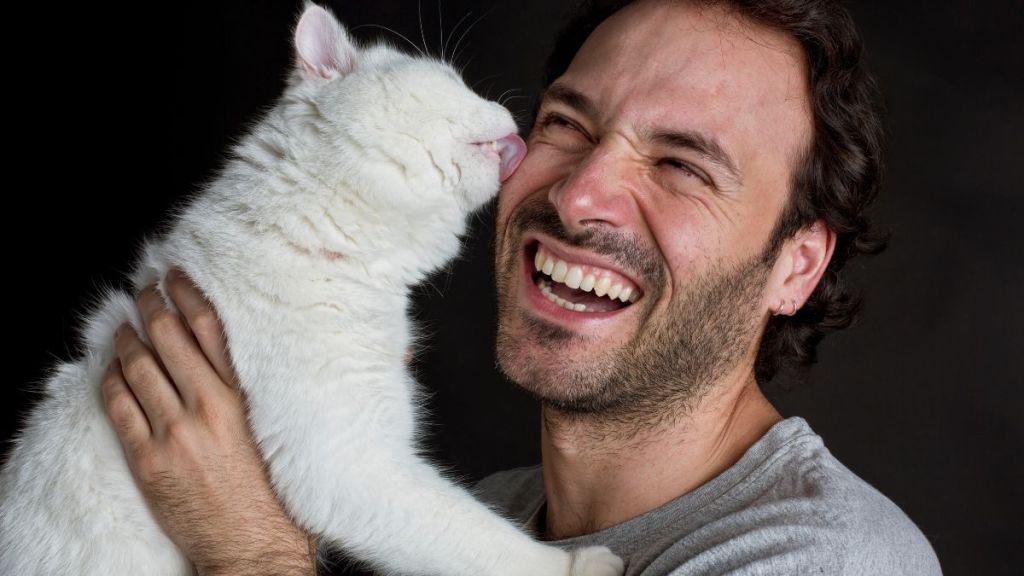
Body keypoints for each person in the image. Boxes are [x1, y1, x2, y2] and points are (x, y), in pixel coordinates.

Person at [100, 0, 942, 574]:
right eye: (567, 125)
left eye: (682, 165)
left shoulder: (822, 557)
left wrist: (250, 554)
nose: (577, 195)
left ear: (795, 266)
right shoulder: (482, 519)